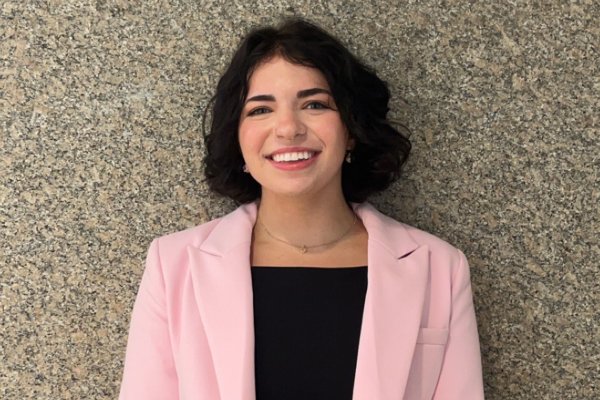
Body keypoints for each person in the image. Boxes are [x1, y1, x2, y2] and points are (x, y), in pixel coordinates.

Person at [119, 18, 484, 400]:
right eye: (260, 110)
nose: (288, 128)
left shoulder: (439, 269)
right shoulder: (174, 266)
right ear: (237, 138)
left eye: (314, 104)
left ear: (352, 132)